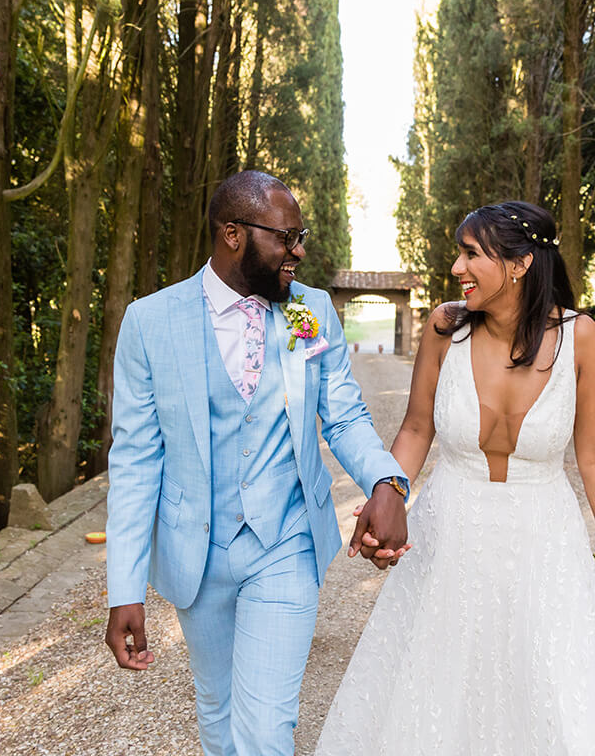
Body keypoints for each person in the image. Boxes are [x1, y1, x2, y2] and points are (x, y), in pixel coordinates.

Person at [315, 201, 595, 754]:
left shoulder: (581, 337)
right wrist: (389, 493)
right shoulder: (446, 328)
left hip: (545, 543)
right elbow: (417, 429)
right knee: (436, 679)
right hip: (450, 535)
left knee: (544, 681)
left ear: (519, 264)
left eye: (472, 254)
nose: (456, 268)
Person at [104, 170, 412, 756]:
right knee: (218, 712)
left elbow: (343, 415)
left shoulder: (308, 312)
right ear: (232, 235)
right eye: (287, 238)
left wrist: (385, 479)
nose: (299, 251)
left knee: (267, 726)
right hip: (198, 552)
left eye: (302, 236)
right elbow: (137, 461)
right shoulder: (150, 322)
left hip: (285, 544)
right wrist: (126, 587)